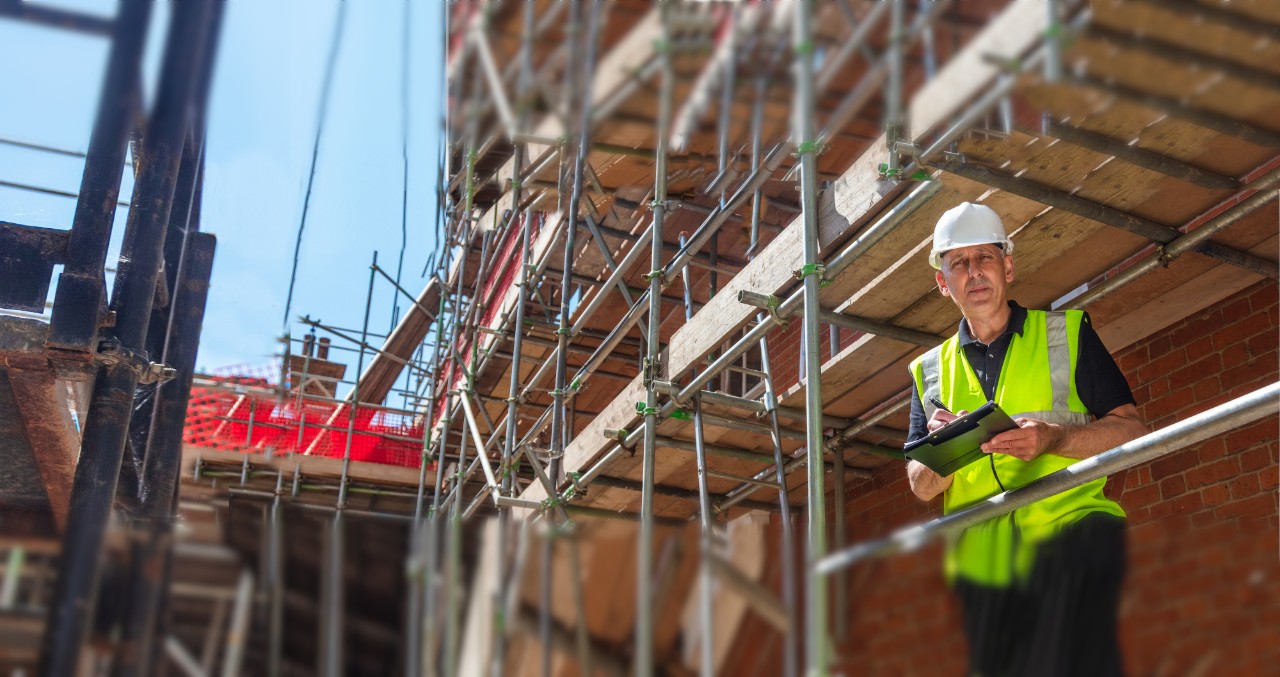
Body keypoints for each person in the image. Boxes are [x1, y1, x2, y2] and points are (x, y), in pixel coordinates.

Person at [905, 202, 1147, 677]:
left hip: (1069, 533)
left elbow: (1133, 430)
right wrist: (944, 451)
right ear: (943, 283)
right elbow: (920, 484)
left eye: (985, 258)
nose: (974, 273)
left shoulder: (1067, 334)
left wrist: (1054, 438)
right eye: (959, 263)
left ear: (1008, 266)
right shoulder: (927, 372)